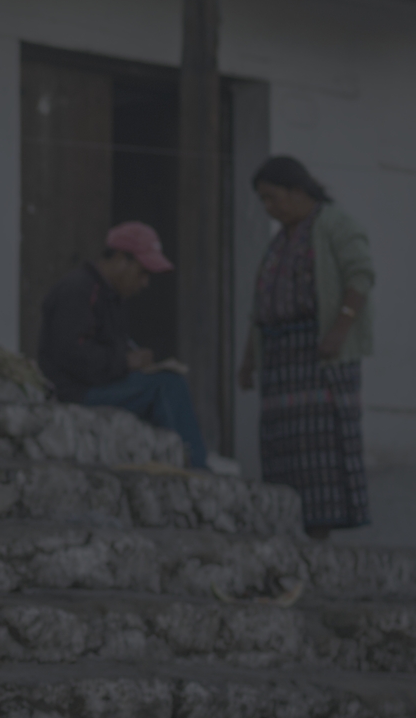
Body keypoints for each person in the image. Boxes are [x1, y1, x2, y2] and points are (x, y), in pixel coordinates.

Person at [238, 156, 374, 537]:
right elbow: (260, 310)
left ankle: (320, 532)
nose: (268, 207)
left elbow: (360, 276)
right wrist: (249, 360)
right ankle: (290, 528)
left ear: (298, 192)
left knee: (321, 449)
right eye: (263, 200)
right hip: (281, 359)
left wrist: (339, 329)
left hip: (321, 355)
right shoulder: (280, 242)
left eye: (272, 198)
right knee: (284, 448)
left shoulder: (334, 225)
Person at [35, 221, 209, 470]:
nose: (145, 283)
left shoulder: (111, 296)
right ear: (119, 259)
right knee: (167, 387)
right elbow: (71, 354)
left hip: (94, 385)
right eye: (142, 272)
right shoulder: (78, 290)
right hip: (74, 393)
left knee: (166, 379)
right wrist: (126, 362)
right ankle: (196, 468)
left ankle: (176, 463)